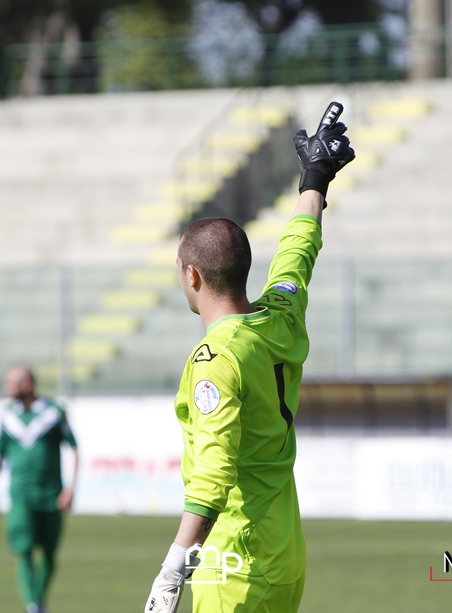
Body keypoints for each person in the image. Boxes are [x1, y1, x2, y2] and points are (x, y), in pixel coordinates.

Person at [143, 102, 355, 613]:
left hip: (234, 565)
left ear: (192, 276)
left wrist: (173, 568)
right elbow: (296, 256)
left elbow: (213, 470)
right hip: (283, 556)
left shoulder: (215, 359)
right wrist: (314, 183)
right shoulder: (281, 316)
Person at [0, 365, 79, 613]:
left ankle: (39, 599)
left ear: (27, 385)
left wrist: (71, 488)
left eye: (10, 382)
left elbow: (74, 448)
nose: (5, 388)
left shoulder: (54, 412)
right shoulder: (7, 415)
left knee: (49, 553)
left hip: (52, 494)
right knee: (24, 548)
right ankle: (32, 605)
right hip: (21, 494)